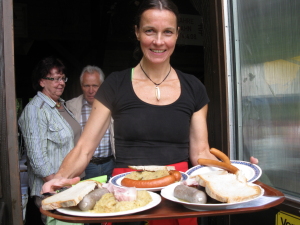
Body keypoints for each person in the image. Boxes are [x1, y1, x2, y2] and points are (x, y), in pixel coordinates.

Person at [41, 0, 258, 224]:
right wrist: (59, 178)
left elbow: (200, 152)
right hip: (125, 198)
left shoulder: (194, 88)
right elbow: (85, 148)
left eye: (167, 32)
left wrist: (233, 173)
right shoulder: (115, 84)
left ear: (177, 35)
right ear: (137, 32)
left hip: (178, 197)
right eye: (149, 31)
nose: (158, 41)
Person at [18, 56, 83, 225]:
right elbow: (38, 159)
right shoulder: (35, 110)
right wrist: (59, 187)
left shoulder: (61, 105)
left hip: (70, 185)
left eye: (62, 78)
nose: (60, 83)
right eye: (54, 78)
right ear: (41, 82)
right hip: (55, 190)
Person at [66, 66, 115, 180]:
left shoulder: (113, 105)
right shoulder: (70, 107)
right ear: (81, 86)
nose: (91, 90)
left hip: (110, 164)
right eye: (86, 85)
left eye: (95, 86)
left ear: (102, 86)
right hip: (84, 167)